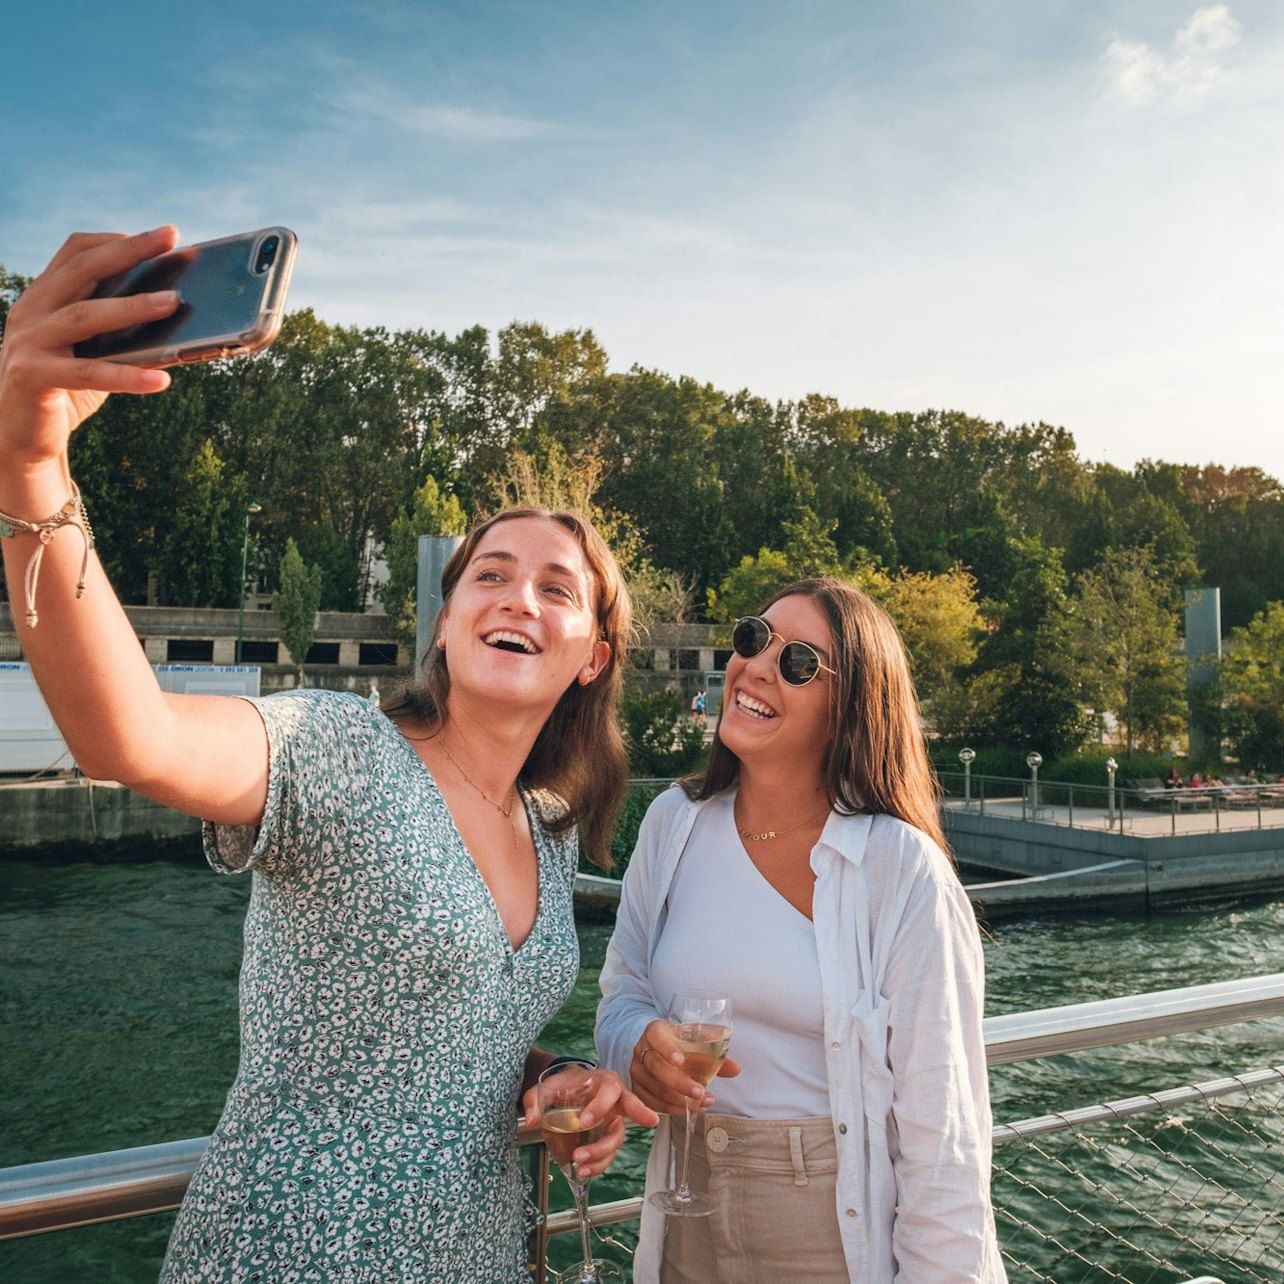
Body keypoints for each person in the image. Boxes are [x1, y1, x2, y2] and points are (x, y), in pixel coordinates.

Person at [0, 227, 656, 1282]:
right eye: (489, 575)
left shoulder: (550, 830)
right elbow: (127, 734)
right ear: (447, 621)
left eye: (556, 588)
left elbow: (459, 1041)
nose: (516, 599)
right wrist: (32, 467)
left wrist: (558, 1075)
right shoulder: (340, 749)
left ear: (593, 657)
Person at [597, 578, 1005, 1282]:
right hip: (686, 1213)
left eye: (798, 663)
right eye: (754, 638)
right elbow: (621, 994)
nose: (757, 666)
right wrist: (638, 1047)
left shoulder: (900, 870)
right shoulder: (672, 823)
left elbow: (944, 1140)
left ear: (850, 710)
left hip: (835, 1231)